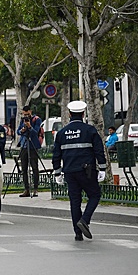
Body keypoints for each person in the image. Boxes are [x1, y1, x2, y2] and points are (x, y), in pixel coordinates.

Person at [52, 101, 107, 241]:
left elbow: (56, 155)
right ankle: (85, 220)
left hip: (70, 172)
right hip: (87, 171)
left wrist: (57, 172)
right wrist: (102, 168)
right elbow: (99, 150)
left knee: (74, 202)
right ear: (83, 114)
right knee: (94, 195)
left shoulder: (61, 133)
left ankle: (78, 233)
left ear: (69, 114)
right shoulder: (90, 130)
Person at [16, 105, 42, 197]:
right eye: (24, 114)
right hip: (24, 145)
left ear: (30, 111)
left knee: (34, 167)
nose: (26, 116)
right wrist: (22, 130)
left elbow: (35, 132)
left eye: (27, 114)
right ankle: (26, 189)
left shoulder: (36, 119)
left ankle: (35, 189)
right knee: (24, 168)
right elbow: (18, 131)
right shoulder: (22, 120)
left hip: (33, 146)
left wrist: (30, 126)